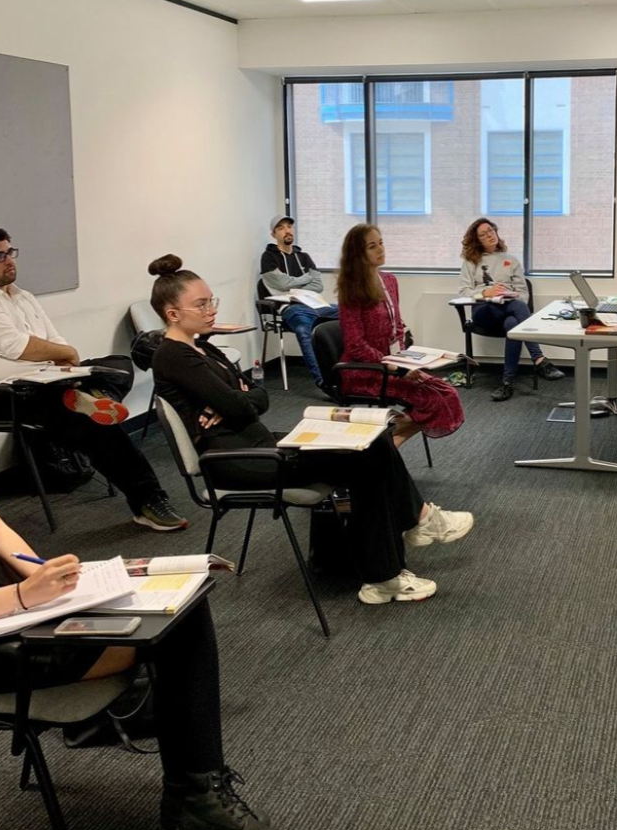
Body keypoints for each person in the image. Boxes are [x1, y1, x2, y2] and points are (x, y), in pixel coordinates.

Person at [148, 254, 473, 604]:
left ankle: (397, 556)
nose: (211, 309)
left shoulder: (204, 347)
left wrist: (235, 399)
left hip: (262, 443)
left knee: (374, 442)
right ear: (173, 314)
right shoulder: (175, 356)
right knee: (367, 459)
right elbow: (241, 406)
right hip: (237, 460)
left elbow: (258, 394)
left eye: (211, 300)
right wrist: (236, 400)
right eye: (201, 304)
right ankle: (399, 553)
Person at [0, 494, 292, 830]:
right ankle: (194, 796)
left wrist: (46, 578)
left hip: (8, 614)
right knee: (175, 628)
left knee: (182, 606)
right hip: (0, 636)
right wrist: (22, 594)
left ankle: (194, 793)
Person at [0, 226, 187, 532]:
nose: (9, 260)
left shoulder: (23, 296)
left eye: (10, 252)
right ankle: (148, 499)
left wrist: (67, 366)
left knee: (118, 365)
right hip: (6, 393)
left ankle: (92, 397)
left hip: (48, 382)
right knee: (89, 421)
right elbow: (16, 346)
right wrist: (66, 356)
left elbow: (54, 339)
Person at [337, 225, 465, 447]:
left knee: (446, 393)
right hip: (365, 370)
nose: (381, 249)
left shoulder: (389, 280)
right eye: (372, 246)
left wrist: (404, 361)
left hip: (394, 364)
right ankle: (386, 444)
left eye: (381, 243)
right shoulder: (351, 289)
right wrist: (392, 366)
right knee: (434, 398)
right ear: (358, 253)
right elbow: (355, 344)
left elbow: (397, 327)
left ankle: (388, 439)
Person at [458, 217, 564, 402]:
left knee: (513, 323)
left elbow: (523, 293)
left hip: (507, 310)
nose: (489, 235)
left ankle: (506, 383)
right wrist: (486, 292)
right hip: (484, 312)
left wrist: (508, 295)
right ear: (477, 240)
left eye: (491, 230)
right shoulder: (470, 261)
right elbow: (464, 292)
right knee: (517, 309)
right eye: (483, 234)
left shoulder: (511, 260)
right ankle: (539, 359)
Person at [260, 215, 339, 389]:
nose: (287, 230)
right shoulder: (268, 257)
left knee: (349, 314)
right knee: (304, 331)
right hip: (291, 308)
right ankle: (323, 382)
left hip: (315, 304)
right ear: (274, 234)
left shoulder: (304, 257)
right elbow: (282, 284)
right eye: (281, 228)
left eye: (289, 226)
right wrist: (306, 278)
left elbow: (318, 285)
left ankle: (349, 370)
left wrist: (293, 285)